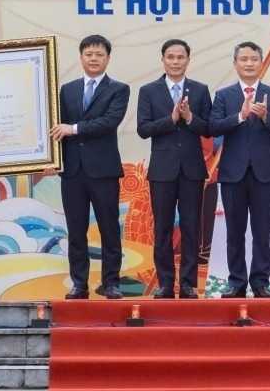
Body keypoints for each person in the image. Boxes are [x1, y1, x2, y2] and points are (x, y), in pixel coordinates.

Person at [209, 41, 270, 298]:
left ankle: (260, 283)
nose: (248, 63)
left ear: (261, 62)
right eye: (243, 59)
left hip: (264, 174)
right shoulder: (224, 95)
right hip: (233, 174)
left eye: (253, 59)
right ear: (235, 64)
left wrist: (266, 116)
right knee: (234, 232)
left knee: (262, 232)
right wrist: (241, 116)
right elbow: (213, 128)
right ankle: (236, 282)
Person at [52, 34, 130, 300]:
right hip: (72, 171)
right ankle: (79, 284)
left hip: (103, 171)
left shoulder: (119, 89)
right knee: (76, 230)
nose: (94, 58)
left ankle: (111, 284)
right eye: (89, 54)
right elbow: (55, 128)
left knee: (110, 229)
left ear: (108, 58)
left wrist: (73, 129)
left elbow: (108, 122)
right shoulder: (66, 89)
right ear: (81, 57)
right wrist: (52, 158)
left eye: (99, 54)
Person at [136, 38, 213, 299]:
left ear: (188, 60)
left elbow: (209, 127)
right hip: (162, 170)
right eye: (171, 57)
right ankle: (166, 284)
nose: (176, 61)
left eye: (180, 57)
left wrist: (190, 118)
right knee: (163, 228)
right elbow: (143, 129)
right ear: (163, 60)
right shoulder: (148, 91)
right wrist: (169, 120)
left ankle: (189, 284)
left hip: (192, 169)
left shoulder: (200, 90)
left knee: (192, 227)